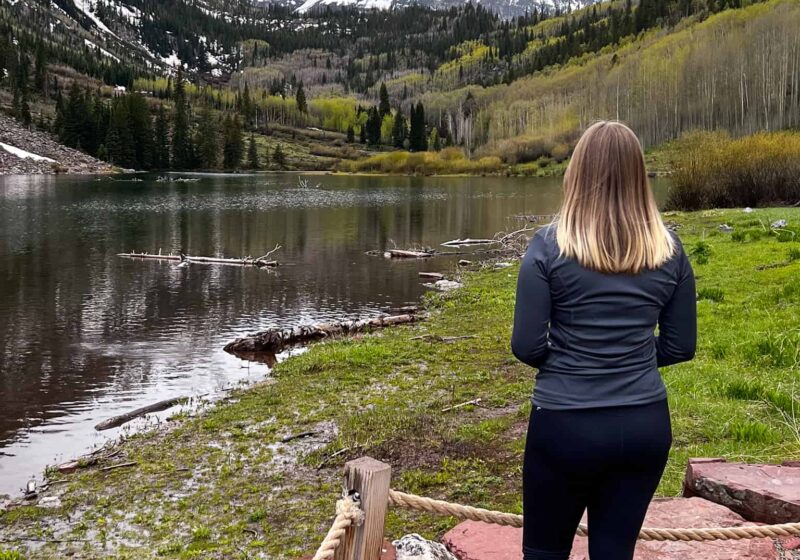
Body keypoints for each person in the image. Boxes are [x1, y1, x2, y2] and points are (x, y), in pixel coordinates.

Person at [511, 121, 697, 560]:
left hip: (565, 426)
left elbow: (527, 345)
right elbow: (679, 346)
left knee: (545, 553)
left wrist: (577, 358)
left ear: (576, 173)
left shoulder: (548, 247)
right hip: (643, 426)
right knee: (615, 554)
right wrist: (627, 357)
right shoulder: (669, 250)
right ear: (638, 175)